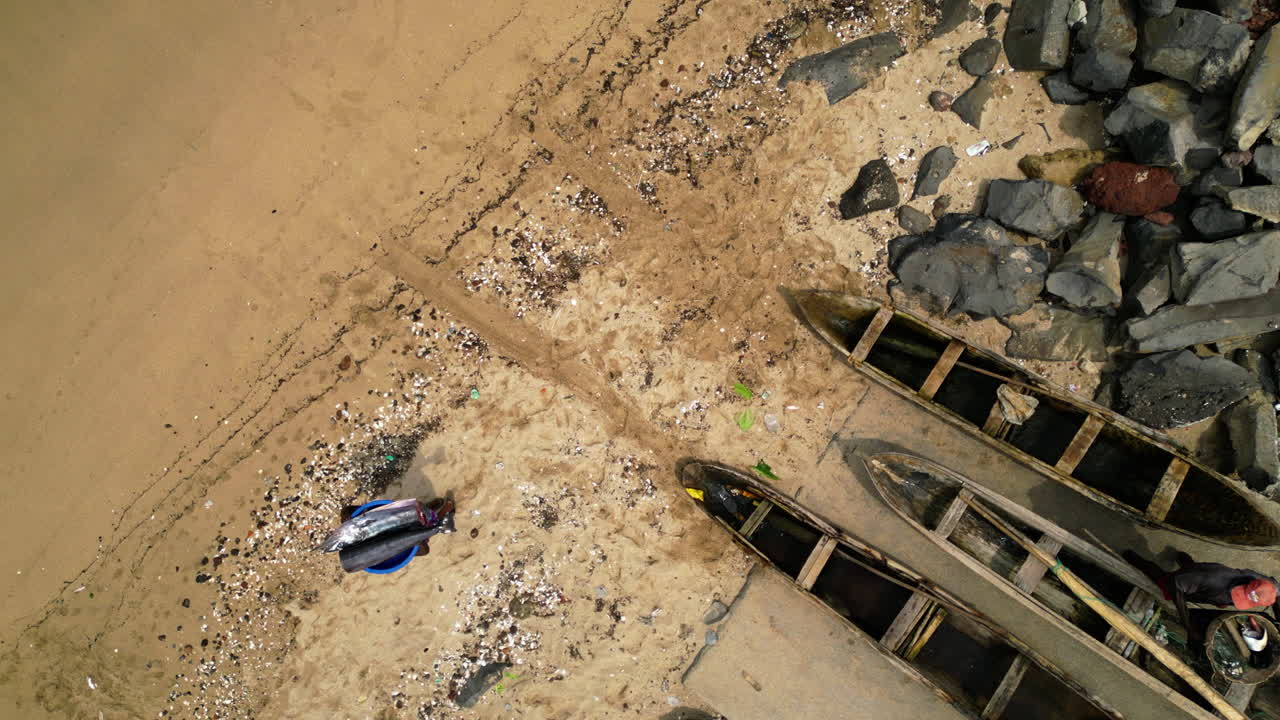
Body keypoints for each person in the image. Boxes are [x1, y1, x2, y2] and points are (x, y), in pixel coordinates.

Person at [1123, 550, 1278, 644]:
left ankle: (1186, 561)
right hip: (1189, 580)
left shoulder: (1264, 583)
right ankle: (1135, 558)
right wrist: (1188, 626)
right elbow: (1176, 589)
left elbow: (1275, 594)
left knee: (1199, 582)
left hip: (1207, 583)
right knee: (1165, 583)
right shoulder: (1212, 578)